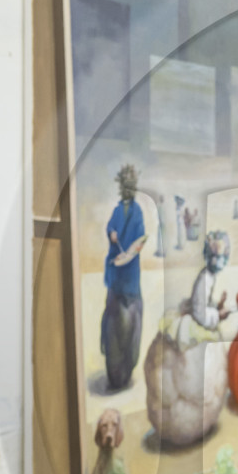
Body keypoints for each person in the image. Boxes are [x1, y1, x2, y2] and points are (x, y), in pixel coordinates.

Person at [101, 164, 146, 390]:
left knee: (132, 324)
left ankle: (126, 370)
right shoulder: (118, 210)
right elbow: (110, 226)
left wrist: (130, 253)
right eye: (125, 185)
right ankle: (114, 372)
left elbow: (140, 239)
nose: (128, 189)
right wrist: (111, 233)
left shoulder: (137, 211)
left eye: (131, 185)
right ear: (121, 187)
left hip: (131, 276)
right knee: (113, 322)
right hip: (116, 274)